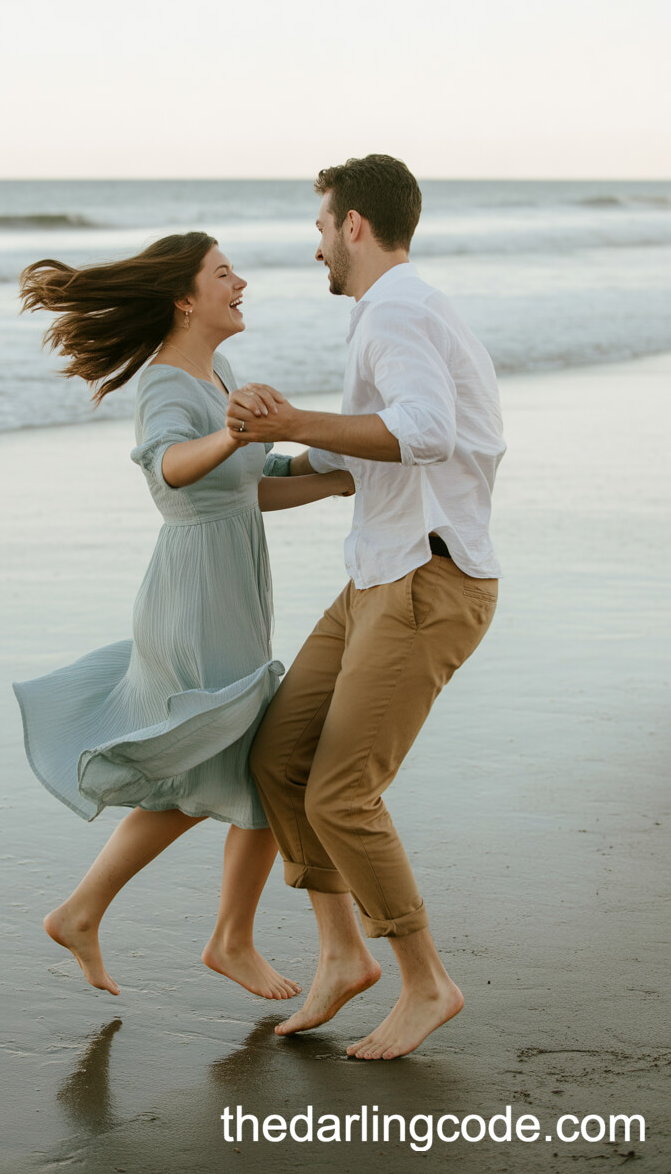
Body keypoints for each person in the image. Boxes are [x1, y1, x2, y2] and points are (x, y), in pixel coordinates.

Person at [13, 232, 354, 1001]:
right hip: (195, 596)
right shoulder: (167, 384)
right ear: (184, 299)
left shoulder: (219, 374)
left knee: (221, 768)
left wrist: (334, 476)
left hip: (228, 586)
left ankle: (82, 913)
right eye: (223, 273)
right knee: (257, 763)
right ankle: (228, 939)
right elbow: (169, 469)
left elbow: (246, 482)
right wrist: (233, 431)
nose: (241, 283)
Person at [225, 155, 506, 1059]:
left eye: (321, 227)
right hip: (380, 574)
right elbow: (355, 459)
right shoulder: (393, 311)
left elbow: (424, 433)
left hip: (427, 580)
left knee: (342, 794)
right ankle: (344, 956)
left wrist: (292, 422)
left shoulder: (396, 310)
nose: (316, 248)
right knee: (279, 757)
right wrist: (237, 476)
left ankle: (427, 983)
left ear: (353, 225)